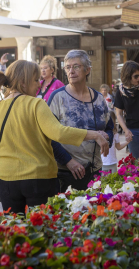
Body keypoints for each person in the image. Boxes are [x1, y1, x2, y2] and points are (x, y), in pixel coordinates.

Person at [0, 60, 109, 214]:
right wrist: (95, 135)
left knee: (14, 231)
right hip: (38, 179)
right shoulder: (36, 104)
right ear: (23, 82)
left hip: (6, 180)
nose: (39, 85)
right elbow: (58, 132)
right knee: (42, 229)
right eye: (36, 80)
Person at [48, 50, 114, 192]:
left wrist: (107, 138)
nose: (71, 71)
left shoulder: (99, 99)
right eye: (67, 67)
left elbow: (109, 127)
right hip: (66, 172)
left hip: (94, 170)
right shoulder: (57, 98)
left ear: (87, 70)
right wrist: (68, 161)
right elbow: (48, 135)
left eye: (76, 66)